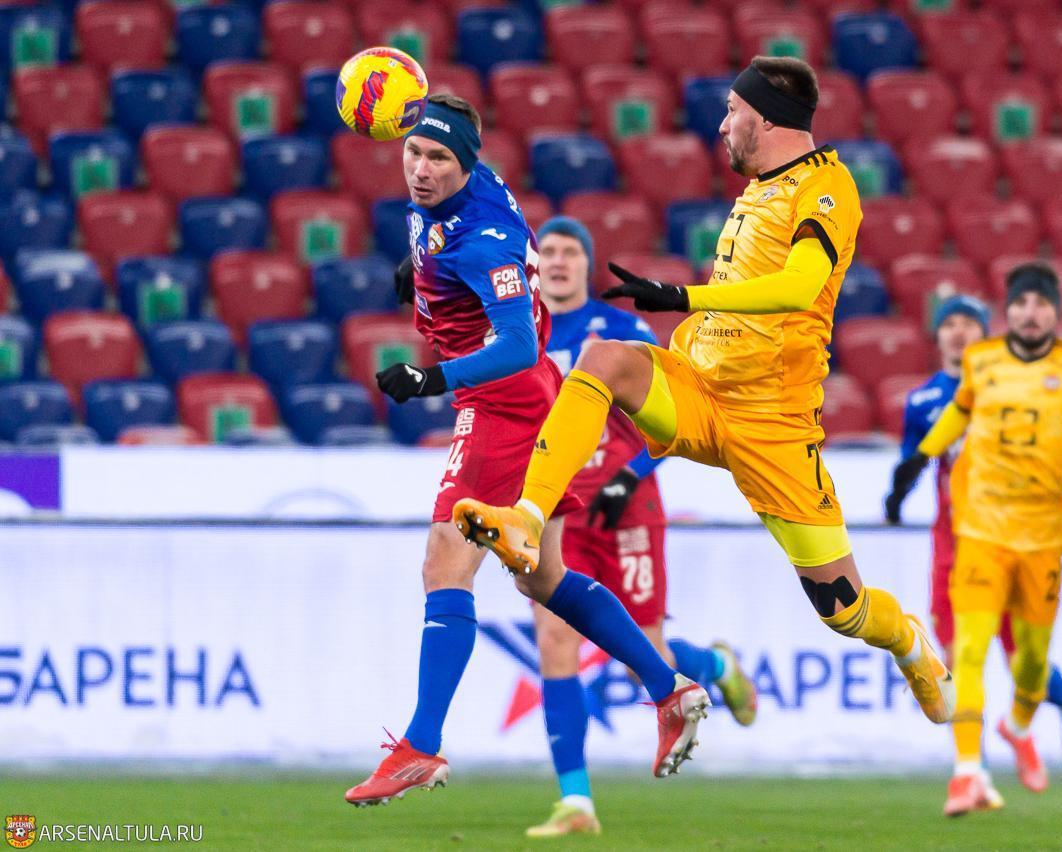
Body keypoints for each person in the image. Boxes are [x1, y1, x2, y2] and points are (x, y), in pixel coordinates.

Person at [451, 57, 955, 730]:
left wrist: (683, 296)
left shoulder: (827, 185)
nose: (722, 126)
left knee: (842, 607)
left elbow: (802, 286)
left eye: (732, 111)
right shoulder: (756, 191)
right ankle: (528, 518)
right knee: (603, 360)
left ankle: (908, 642)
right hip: (699, 389)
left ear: (766, 119)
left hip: (772, 423)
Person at [344, 94, 711, 808]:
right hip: (532, 396)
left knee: (445, 563)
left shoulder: (484, 241)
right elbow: (445, 225)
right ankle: (669, 688)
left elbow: (515, 343)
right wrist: (419, 268)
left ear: (465, 166)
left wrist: (430, 378)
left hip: (502, 403)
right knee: (544, 579)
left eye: (438, 158)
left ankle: (421, 744)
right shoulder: (456, 193)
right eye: (413, 152)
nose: (421, 170)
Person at [525, 216, 758, 837]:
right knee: (554, 641)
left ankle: (715, 666)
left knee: (643, 658)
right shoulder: (521, 333)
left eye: (570, 251)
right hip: (559, 509)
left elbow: (675, 417)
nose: (558, 261)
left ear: (586, 263)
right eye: (548, 251)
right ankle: (575, 802)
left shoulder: (621, 331)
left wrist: (630, 475)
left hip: (627, 509)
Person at [885, 264, 1062, 816]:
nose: (958, 333)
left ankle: (1054, 709)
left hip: (1034, 533)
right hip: (963, 538)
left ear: (985, 330)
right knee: (961, 653)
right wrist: (902, 484)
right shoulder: (925, 400)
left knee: (1024, 657)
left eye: (967, 323)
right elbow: (918, 455)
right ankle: (971, 770)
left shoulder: (1045, 372)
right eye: (948, 324)